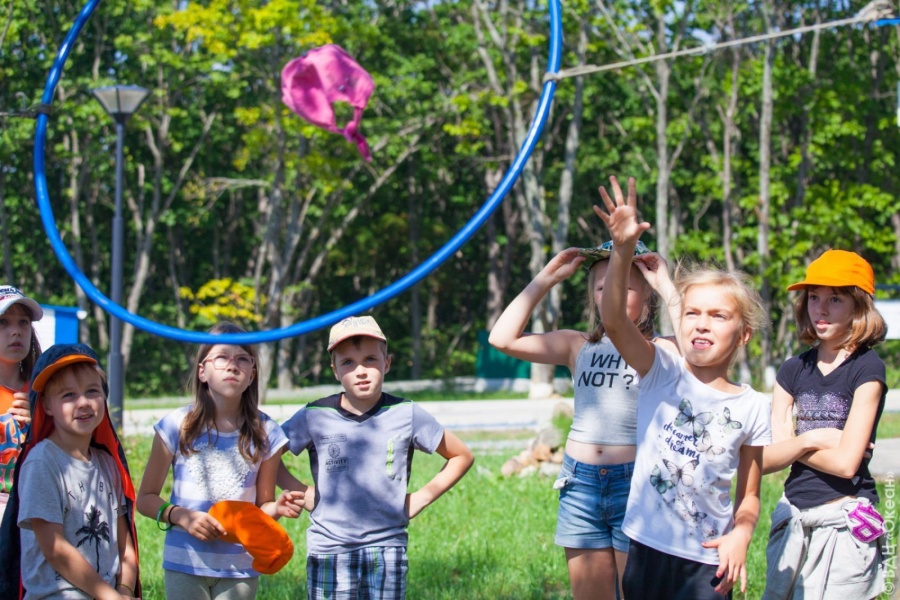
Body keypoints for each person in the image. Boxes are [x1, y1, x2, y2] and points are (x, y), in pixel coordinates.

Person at [594, 175, 771, 598]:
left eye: (718, 316)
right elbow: (614, 320)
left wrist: (742, 534)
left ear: (744, 335)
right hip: (645, 550)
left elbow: (749, 495)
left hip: (708, 562)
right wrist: (622, 250)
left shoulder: (753, 406)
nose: (702, 324)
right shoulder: (661, 368)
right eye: (692, 313)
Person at [487, 241, 678, 599]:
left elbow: (698, 346)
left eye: (625, 287)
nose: (612, 295)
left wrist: (666, 285)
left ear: (647, 297)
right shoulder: (578, 345)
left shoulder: (663, 348)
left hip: (635, 483)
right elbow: (501, 338)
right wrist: (547, 278)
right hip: (580, 484)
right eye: (604, 287)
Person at [279, 315, 474, 600]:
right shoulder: (315, 415)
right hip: (330, 548)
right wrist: (300, 492)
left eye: (370, 359)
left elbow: (461, 456)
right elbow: (267, 454)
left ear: (387, 363)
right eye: (348, 362)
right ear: (335, 370)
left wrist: (420, 498)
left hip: (387, 549)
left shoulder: (406, 414)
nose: (360, 371)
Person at [137, 321, 297, 600]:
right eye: (222, 357)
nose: (232, 366)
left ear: (252, 375)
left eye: (242, 359)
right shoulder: (175, 426)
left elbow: (262, 507)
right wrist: (182, 516)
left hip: (240, 568)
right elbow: (145, 499)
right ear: (202, 371)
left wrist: (278, 508)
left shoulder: (267, 432)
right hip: (185, 563)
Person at [761, 249, 888, 599]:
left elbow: (846, 465)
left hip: (843, 519)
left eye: (835, 299)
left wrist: (792, 444)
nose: (820, 309)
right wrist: (813, 439)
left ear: (859, 307)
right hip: (793, 515)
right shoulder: (792, 370)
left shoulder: (868, 368)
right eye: (814, 297)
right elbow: (767, 460)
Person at [5, 343, 140, 599]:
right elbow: (55, 549)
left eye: (92, 391)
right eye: (68, 395)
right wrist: (110, 596)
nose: (83, 402)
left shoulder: (108, 464)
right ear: (46, 406)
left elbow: (125, 545)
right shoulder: (42, 463)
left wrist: (124, 589)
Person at [0, 285, 43, 521]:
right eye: (3, 322)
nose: (16, 331)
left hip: (38, 508)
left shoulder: (46, 390)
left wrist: (42, 420)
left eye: (23, 322)